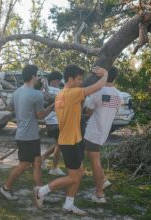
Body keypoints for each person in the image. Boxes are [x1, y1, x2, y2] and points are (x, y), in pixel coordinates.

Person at [34, 64, 108, 216]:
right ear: (70, 79)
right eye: (79, 79)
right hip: (70, 142)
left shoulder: (61, 93)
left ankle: (69, 204)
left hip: (73, 139)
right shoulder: (73, 93)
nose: (81, 82)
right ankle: (41, 191)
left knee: (79, 172)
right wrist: (105, 73)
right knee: (73, 176)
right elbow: (99, 86)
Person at [0, 64, 54, 201]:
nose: (38, 77)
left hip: (26, 134)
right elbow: (40, 115)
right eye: (37, 75)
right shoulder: (36, 94)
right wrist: (54, 106)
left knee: (36, 163)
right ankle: (5, 188)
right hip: (28, 136)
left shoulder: (17, 92)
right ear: (33, 76)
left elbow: (10, 107)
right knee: (24, 165)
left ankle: (40, 193)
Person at [83, 67, 123, 203]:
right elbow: (114, 112)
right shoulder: (119, 95)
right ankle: (103, 181)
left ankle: (99, 194)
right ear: (116, 78)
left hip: (93, 131)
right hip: (104, 132)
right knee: (92, 157)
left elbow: (88, 112)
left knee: (95, 162)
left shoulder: (97, 91)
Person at [40, 71, 65, 176]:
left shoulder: (45, 90)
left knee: (59, 144)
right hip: (55, 122)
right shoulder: (56, 91)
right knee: (60, 145)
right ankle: (54, 167)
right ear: (55, 81)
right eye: (59, 80)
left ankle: (42, 158)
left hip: (51, 122)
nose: (60, 82)